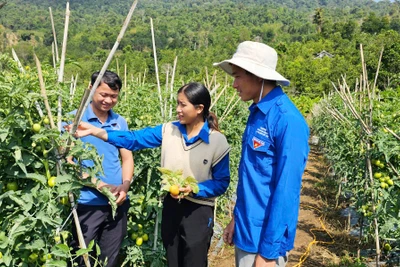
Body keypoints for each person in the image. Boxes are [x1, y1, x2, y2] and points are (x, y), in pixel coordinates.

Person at [68, 82, 231, 267]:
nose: (177, 109)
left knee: (194, 261)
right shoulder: (169, 130)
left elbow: (221, 182)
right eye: (177, 103)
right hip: (172, 206)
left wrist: (195, 188)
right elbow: (133, 139)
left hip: (198, 211)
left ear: (199, 108)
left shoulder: (217, 141)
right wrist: (96, 131)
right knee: (173, 261)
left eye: (183, 105)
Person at [213, 41, 309, 267]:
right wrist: (236, 218)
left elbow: (287, 191)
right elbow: (251, 177)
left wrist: (267, 253)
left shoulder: (288, 121)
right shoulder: (257, 113)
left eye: (238, 77)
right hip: (246, 230)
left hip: (263, 239)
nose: (234, 84)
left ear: (258, 76)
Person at [68, 70, 134, 267]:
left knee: (110, 260)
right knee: (81, 258)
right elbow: (68, 162)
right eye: (103, 94)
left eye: (113, 96)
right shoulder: (75, 121)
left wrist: (125, 186)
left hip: (117, 203)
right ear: (91, 90)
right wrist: (100, 185)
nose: (108, 100)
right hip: (87, 203)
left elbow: (127, 159)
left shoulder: (119, 122)